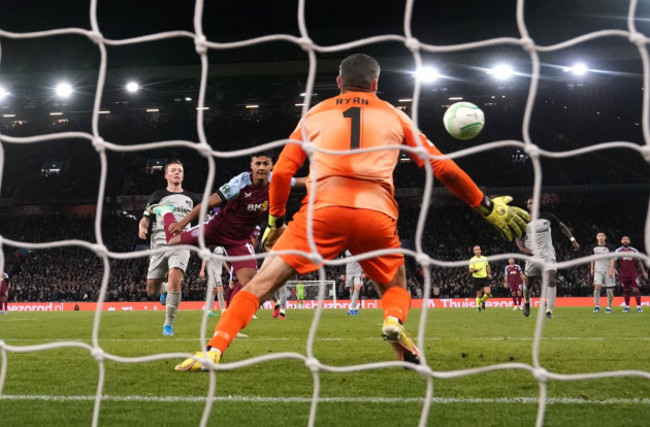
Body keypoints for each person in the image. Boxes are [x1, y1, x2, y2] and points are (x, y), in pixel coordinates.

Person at [174, 53, 530, 371]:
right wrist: (485, 206)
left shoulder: (315, 114)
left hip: (322, 213)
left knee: (261, 285)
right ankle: (392, 320)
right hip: (375, 214)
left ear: (339, 82)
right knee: (395, 283)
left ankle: (214, 350)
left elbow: (281, 173)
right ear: (376, 84)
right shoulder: (395, 114)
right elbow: (443, 169)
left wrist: (275, 222)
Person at [149, 152, 305, 314]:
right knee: (172, 241)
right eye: (258, 164)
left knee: (251, 283)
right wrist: (182, 223)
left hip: (240, 239)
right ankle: (166, 212)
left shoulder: (276, 180)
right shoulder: (239, 183)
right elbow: (208, 203)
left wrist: (327, 178)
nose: (261, 168)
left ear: (271, 166)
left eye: (265, 164)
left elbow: (301, 181)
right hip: (217, 229)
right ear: (251, 166)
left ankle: (229, 320)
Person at [139, 160, 201, 336]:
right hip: (159, 242)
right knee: (151, 290)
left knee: (175, 277)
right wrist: (142, 227)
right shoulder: (157, 195)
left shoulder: (193, 198)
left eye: (180, 170)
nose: (176, 173)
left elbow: (205, 218)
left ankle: (168, 324)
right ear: (166, 175)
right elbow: (145, 218)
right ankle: (164, 290)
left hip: (181, 241)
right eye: (172, 170)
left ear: (183, 174)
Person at [516, 197, 580, 319]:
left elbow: (562, 226)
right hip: (532, 256)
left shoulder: (548, 216)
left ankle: (549, 310)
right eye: (530, 203)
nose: (533, 204)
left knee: (551, 279)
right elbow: (518, 237)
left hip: (548, 255)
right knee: (529, 284)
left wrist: (573, 240)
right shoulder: (524, 220)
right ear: (527, 206)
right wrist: (522, 249)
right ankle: (527, 302)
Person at [615, 236, 648, 313]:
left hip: (633, 274)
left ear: (629, 241)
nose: (625, 241)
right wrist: (613, 269)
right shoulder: (618, 251)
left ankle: (639, 307)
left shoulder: (634, 251)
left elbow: (639, 262)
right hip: (623, 274)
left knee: (636, 290)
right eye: (624, 239)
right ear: (621, 241)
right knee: (626, 291)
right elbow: (614, 261)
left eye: (627, 239)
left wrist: (643, 272)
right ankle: (627, 307)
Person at [198, 246, 231, 316]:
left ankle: (208, 310)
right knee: (220, 288)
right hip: (213, 271)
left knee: (214, 290)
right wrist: (202, 270)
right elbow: (205, 259)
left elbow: (222, 260)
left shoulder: (221, 248)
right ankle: (223, 310)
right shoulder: (212, 246)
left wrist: (228, 270)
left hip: (218, 271)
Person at [590, 232, 616, 314]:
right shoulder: (593, 247)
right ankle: (597, 305)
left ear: (605, 237)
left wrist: (611, 270)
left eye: (602, 236)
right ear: (596, 237)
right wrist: (592, 269)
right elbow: (592, 258)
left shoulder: (610, 247)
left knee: (609, 291)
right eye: (599, 236)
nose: (600, 237)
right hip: (598, 270)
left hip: (608, 270)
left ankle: (609, 307)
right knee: (597, 287)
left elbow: (612, 259)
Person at [469, 245, 492, 312]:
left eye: (478, 250)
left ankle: (482, 301)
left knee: (488, 292)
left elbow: (488, 266)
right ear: (474, 252)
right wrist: (476, 270)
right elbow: (470, 270)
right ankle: (478, 307)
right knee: (479, 294)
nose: (477, 251)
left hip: (484, 278)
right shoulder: (472, 260)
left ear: (480, 251)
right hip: (476, 278)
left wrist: (489, 274)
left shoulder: (484, 258)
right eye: (475, 250)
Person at [345, 250, 364, 316]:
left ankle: (350, 308)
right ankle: (355, 309)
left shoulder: (359, 248)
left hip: (358, 273)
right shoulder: (347, 251)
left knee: (357, 288)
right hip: (349, 272)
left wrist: (363, 272)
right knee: (351, 292)